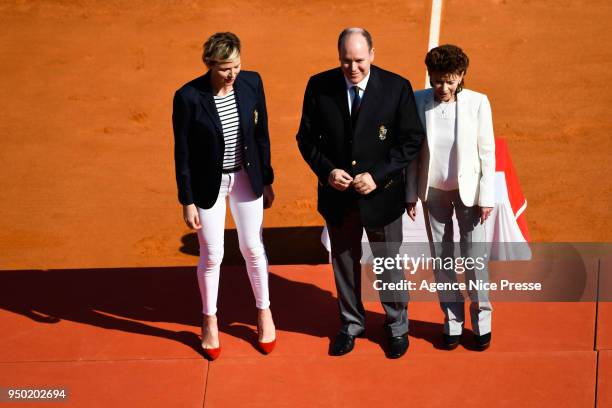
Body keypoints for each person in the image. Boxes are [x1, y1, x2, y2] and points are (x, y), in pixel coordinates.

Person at [296, 28, 425, 358]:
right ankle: (351, 324)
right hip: (338, 197)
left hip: (382, 196)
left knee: (387, 262)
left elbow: (410, 140)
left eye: (359, 61)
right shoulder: (319, 86)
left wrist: (377, 176)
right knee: (344, 261)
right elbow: (306, 140)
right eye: (346, 61)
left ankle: (397, 325)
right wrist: (328, 171)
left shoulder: (396, 88)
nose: (352, 68)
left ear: (372, 54)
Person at [172, 32, 276, 360]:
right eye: (225, 68)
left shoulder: (252, 83)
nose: (233, 74)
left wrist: (268, 179)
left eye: (237, 66)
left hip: (246, 177)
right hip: (209, 185)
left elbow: (262, 134)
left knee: (252, 247)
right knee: (213, 253)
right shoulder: (188, 97)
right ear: (210, 65)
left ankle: (264, 312)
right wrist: (187, 199)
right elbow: (183, 152)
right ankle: (209, 320)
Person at [406, 44, 495, 351]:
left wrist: (487, 197)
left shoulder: (478, 103)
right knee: (442, 260)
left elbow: (487, 153)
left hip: (469, 194)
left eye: (449, 80)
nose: (442, 87)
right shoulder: (417, 101)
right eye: (436, 79)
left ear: (461, 76)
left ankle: (481, 319)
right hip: (433, 193)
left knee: (474, 259)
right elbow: (412, 154)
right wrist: (410, 195)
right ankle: (452, 320)